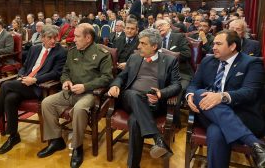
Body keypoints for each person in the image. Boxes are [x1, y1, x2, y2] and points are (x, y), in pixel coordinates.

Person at [0, 25, 67, 154]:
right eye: (50, 38)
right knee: (10, 98)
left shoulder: (61, 52)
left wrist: (35, 80)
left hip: (40, 87)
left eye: (55, 38)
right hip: (24, 83)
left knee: (6, 85)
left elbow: (56, 73)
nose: (53, 41)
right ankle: (13, 135)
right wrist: (21, 76)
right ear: (42, 38)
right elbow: (24, 67)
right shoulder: (35, 48)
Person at [37, 23, 113, 168]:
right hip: (70, 91)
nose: (74, 39)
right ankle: (56, 140)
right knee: (47, 103)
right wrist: (65, 81)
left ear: (88, 38)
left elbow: (107, 77)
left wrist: (86, 86)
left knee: (79, 109)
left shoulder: (102, 53)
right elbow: (65, 71)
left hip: (90, 94)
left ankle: (77, 148)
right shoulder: (72, 52)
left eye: (77, 36)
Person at [186, 30, 265, 168]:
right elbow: (194, 84)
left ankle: (253, 143)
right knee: (198, 93)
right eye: (214, 43)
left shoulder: (251, 63)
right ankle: (254, 144)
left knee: (216, 132)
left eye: (218, 44)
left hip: (242, 115)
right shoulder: (207, 61)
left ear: (233, 46)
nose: (213, 47)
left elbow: (250, 92)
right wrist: (190, 95)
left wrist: (221, 97)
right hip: (208, 112)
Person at [108, 28, 181, 168]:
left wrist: (160, 93)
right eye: (139, 43)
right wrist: (115, 85)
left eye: (143, 43)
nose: (138, 46)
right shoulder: (134, 57)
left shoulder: (169, 61)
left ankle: (133, 165)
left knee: (135, 121)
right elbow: (122, 76)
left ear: (154, 46)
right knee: (132, 93)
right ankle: (157, 138)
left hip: (153, 103)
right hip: (129, 99)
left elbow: (177, 85)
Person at [156, 19, 192, 127]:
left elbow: (187, 54)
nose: (159, 28)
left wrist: (169, 54)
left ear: (168, 25)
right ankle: (158, 118)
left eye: (161, 25)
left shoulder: (179, 36)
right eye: (157, 27)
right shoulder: (156, 40)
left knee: (176, 91)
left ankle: (174, 124)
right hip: (162, 74)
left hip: (182, 73)